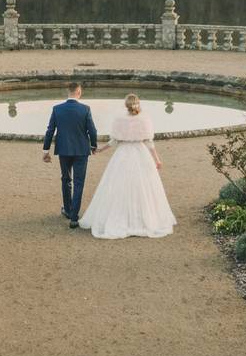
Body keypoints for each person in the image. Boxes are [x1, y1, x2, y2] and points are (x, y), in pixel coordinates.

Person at [79, 94, 176, 239]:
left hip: (123, 154)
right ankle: (143, 218)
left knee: (117, 185)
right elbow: (149, 142)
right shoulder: (145, 119)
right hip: (141, 153)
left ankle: (118, 217)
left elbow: (115, 141)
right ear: (138, 104)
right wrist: (157, 159)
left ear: (126, 105)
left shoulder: (120, 119)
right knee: (144, 186)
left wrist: (101, 149)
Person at [42, 81, 98, 229]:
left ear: (68, 92)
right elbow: (93, 131)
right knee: (79, 182)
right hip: (81, 151)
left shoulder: (57, 109)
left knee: (66, 179)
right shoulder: (85, 109)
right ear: (79, 92)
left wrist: (45, 150)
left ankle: (67, 210)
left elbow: (50, 131)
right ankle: (74, 217)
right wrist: (93, 145)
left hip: (64, 150)